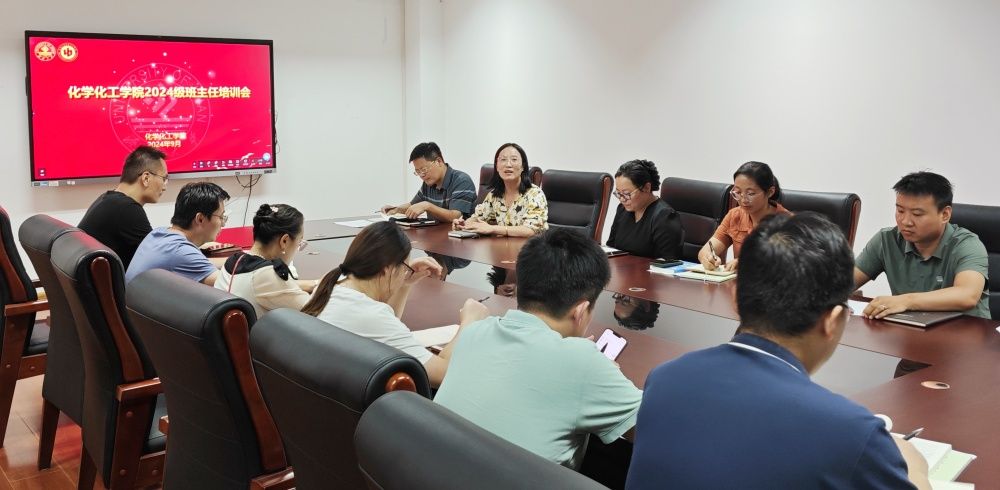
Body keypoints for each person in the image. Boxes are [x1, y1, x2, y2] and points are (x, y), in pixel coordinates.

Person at [626, 213, 930, 490]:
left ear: (736, 300)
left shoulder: (664, 379)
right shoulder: (851, 432)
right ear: (834, 321)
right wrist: (915, 469)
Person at [434, 228, 641, 469]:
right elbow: (659, 426)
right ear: (581, 311)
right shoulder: (584, 363)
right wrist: (598, 369)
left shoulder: (475, 331)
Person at [300, 221, 485, 387]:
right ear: (388, 269)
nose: (405, 272)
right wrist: (470, 323)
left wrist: (404, 284)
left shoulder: (334, 283)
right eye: (404, 267)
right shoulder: (370, 316)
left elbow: (387, 331)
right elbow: (444, 374)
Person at [854, 172, 989, 320]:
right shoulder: (887, 240)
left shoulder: (966, 244)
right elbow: (845, 282)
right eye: (900, 211)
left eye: (917, 214)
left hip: (965, 331)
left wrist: (906, 301)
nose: (905, 221)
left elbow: (967, 296)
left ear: (945, 214)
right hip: (911, 330)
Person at [214, 204, 319, 317]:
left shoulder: (233, 260)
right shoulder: (267, 274)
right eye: (299, 242)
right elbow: (314, 310)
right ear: (284, 241)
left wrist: (313, 284)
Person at [78, 146, 168, 269]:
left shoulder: (108, 199)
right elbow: (160, 259)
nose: (164, 187)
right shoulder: (127, 209)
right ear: (146, 178)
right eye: (164, 178)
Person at [125, 182, 230, 285]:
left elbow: (200, 263)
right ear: (200, 219)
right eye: (221, 217)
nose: (223, 223)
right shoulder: (181, 250)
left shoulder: (159, 233)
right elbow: (228, 286)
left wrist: (233, 261)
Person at [698, 161, 790, 271]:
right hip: (739, 281)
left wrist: (745, 262)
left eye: (750, 193)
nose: (743, 199)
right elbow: (706, 250)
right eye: (738, 192)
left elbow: (786, 266)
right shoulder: (735, 215)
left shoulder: (787, 222)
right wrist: (708, 258)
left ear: (770, 192)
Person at [452, 143, 548, 237]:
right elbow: (477, 218)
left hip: (532, 246)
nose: (508, 164)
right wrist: (463, 224)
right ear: (497, 166)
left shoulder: (535, 194)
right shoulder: (494, 195)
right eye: (503, 160)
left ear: (523, 166)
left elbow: (530, 230)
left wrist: (493, 229)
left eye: (514, 159)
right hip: (503, 246)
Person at [606, 159, 683, 260]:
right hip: (622, 268)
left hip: (648, 270)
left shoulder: (665, 217)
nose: (622, 199)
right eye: (618, 193)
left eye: (626, 193)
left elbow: (667, 262)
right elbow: (611, 249)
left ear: (646, 187)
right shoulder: (622, 209)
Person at [380, 142, 477, 222]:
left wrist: (428, 206)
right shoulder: (428, 183)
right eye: (418, 171)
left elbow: (455, 217)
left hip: (459, 236)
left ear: (438, 161)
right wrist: (395, 209)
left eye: (424, 169)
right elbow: (413, 206)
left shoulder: (461, 180)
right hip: (435, 234)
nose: (421, 175)